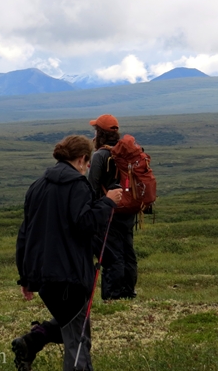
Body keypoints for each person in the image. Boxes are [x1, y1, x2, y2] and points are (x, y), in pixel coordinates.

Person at [13, 135, 122, 371]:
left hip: (43, 276)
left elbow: (24, 233)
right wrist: (108, 202)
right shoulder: (78, 185)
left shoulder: (37, 185)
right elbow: (85, 224)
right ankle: (36, 344)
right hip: (69, 275)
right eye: (88, 161)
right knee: (78, 339)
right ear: (83, 159)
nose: (88, 166)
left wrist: (25, 276)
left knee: (71, 324)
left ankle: (31, 342)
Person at [88, 114, 138, 300]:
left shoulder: (100, 155)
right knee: (127, 251)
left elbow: (92, 186)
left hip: (108, 210)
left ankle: (113, 296)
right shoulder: (125, 152)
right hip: (128, 209)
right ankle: (128, 291)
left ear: (99, 133)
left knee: (111, 254)